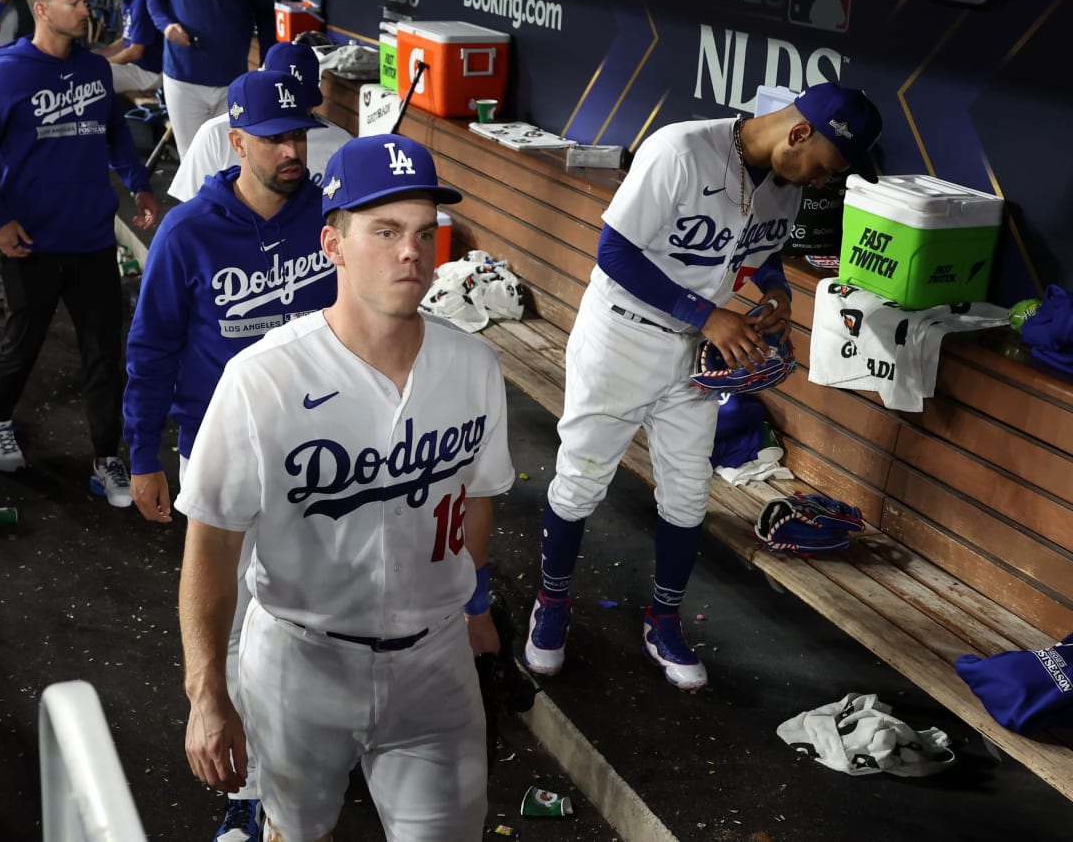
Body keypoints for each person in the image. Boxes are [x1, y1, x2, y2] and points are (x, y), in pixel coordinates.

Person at [175, 133, 515, 842]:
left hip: (435, 664)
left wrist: (475, 602)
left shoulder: (475, 367)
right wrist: (207, 692)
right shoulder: (263, 379)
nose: (411, 254)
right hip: (302, 663)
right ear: (331, 243)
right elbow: (210, 547)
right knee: (299, 833)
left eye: (426, 233)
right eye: (385, 231)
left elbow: (477, 493)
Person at [523, 82, 883, 690]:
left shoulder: (784, 185)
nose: (824, 182)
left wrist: (776, 294)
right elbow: (615, 251)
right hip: (621, 336)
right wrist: (710, 315)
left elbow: (762, 258)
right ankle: (551, 605)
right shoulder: (680, 150)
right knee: (582, 478)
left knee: (689, 493)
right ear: (799, 133)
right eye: (827, 166)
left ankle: (663, 621)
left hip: (694, 354)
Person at [123, 67, 334, 841]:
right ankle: (248, 789)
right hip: (228, 454)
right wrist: (144, 453)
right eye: (275, 137)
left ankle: (318, 754)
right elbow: (150, 349)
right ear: (235, 138)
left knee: (318, 608)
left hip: (325, 450)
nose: (291, 150)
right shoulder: (189, 231)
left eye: (300, 134)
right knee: (241, 623)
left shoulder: (329, 217)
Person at [0, 0, 158, 504]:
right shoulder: (5, 73)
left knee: (103, 355)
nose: (86, 10)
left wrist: (138, 185)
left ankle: (106, 459)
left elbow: (116, 134)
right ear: (42, 9)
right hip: (32, 243)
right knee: (22, 344)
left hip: (92, 240)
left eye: (86, 0)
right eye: (75, 2)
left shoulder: (94, 71)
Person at [167, 39, 351, 201]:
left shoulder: (340, 145)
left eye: (299, 104)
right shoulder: (215, 134)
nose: (289, 112)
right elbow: (188, 209)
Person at [145, 0, 277, 158]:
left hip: (232, 81)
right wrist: (166, 26)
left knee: (232, 160)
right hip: (183, 79)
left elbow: (265, 14)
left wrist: (267, 67)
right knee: (192, 160)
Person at [93, 0, 162, 94]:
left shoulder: (140, 0)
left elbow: (135, 52)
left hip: (150, 73)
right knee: (91, 67)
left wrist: (100, 64)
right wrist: (97, 54)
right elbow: (126, 41)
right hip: (138, 67)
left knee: (92, 77)